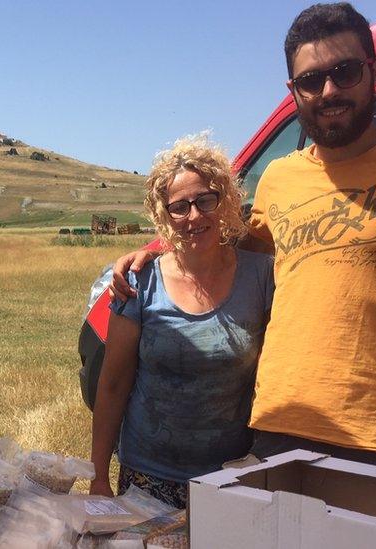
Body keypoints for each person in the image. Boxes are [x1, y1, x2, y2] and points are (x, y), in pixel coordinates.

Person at [109, 3, 376, 479]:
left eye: (344, 72)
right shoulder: (278, 178)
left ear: (375, 71)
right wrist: (161, 256)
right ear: (294, 91)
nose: (328, 91)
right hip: (272, 434)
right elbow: (227, 263)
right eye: (310, 80)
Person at [90, 135, 273, 508]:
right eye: (179, 207)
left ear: (226, 200)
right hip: (146, 477)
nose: (194, 216)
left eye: (205, 199)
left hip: (229, 478)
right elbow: (112, 384)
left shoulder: (261, 276)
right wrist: (98, 477)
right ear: (163, 214)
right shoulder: (141, 280)